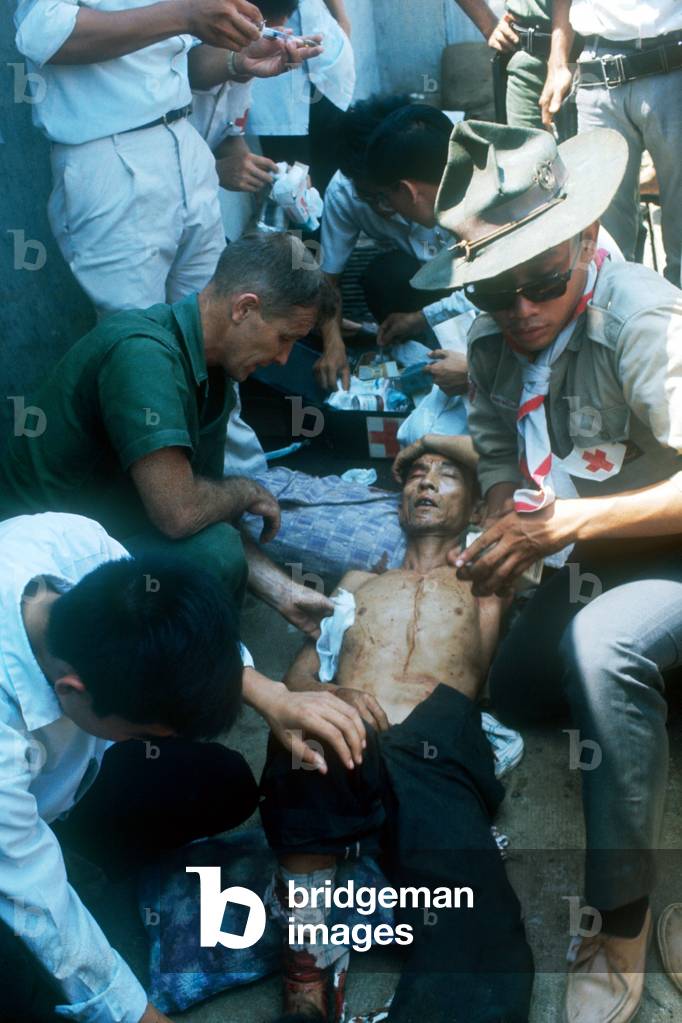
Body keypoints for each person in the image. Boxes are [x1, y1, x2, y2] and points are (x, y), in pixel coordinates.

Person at [414, 119, 682, 1021]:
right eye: (496, 289)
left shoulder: (641, 318)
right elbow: (496, 445)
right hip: (605, 546)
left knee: (605, 651)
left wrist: (568, 521)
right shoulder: (495, 344)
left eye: (543, 281)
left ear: (581, 240)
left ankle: (622, 929)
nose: (522, 309)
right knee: (523, 691)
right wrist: (501, 513)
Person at [0, 510, 367, 1023]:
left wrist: (274, 696)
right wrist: (142, 1016)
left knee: (222, 783)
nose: (150, 743)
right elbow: (39, 904)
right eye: (140, 734)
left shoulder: (71, 545)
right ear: (70, 692)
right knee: (26, 981)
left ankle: (83, 858)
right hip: (12, 826)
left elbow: (174, 631)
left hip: (59, 791)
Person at [259, 437, 534, 1023]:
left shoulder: (489, 575)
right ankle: (309, 960)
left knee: (479, 927)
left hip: (439, 743)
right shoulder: (358, 581)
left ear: (480, 508)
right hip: (354, 730)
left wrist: (434, 443)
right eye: (415, 477)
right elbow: (297, 679)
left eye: (445, 476)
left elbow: (518, 472)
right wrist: (335, 693)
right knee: (305, 736)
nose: (425, 482)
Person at [0, 234, 337, 639]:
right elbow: (180, 514)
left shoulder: (214, 374)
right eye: (285, 338)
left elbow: (205, 505)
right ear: (244, 308)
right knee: (214, 555)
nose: (284, 359)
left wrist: (284, 592)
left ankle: (212, 671)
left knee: (217, 541)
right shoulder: (143, 355)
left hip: (105, 531)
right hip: (37, 568)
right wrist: (246, 490)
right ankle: (189, 686)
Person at [13, 0, 319, 316]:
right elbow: (42, 32)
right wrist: (185, 14)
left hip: (183, 140)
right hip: (113, 155)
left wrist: (236, 60)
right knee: (141, 338)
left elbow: (174, 58)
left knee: (210, 326)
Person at [316, 101, 473, 392]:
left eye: (387, 194)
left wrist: (473, 371)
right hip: (431, 277)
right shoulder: (344, 191)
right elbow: (329, 278)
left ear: (407, 186)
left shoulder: (453, 174)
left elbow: (489, 288)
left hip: (469, 274)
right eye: (369, 196)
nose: (384, 207)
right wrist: (332, 339)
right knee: (384, 277)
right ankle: (417, 353)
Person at [539, 0, 682, 285]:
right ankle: (616, 314)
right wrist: (558, 62)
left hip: (673, 58)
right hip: (598, 67)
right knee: (602, 234)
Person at [249, 0, 355, 195]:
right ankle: (299, 225)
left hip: (325, 58)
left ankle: (335, 223)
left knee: (337, 173)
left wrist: (342, 20)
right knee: (289, 183)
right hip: (272, 73)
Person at [453, 0, 578, 137]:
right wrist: (489, 25)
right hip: (527, 59)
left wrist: (558, 62)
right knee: (526, 153)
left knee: (592, 153)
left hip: (589, 57)